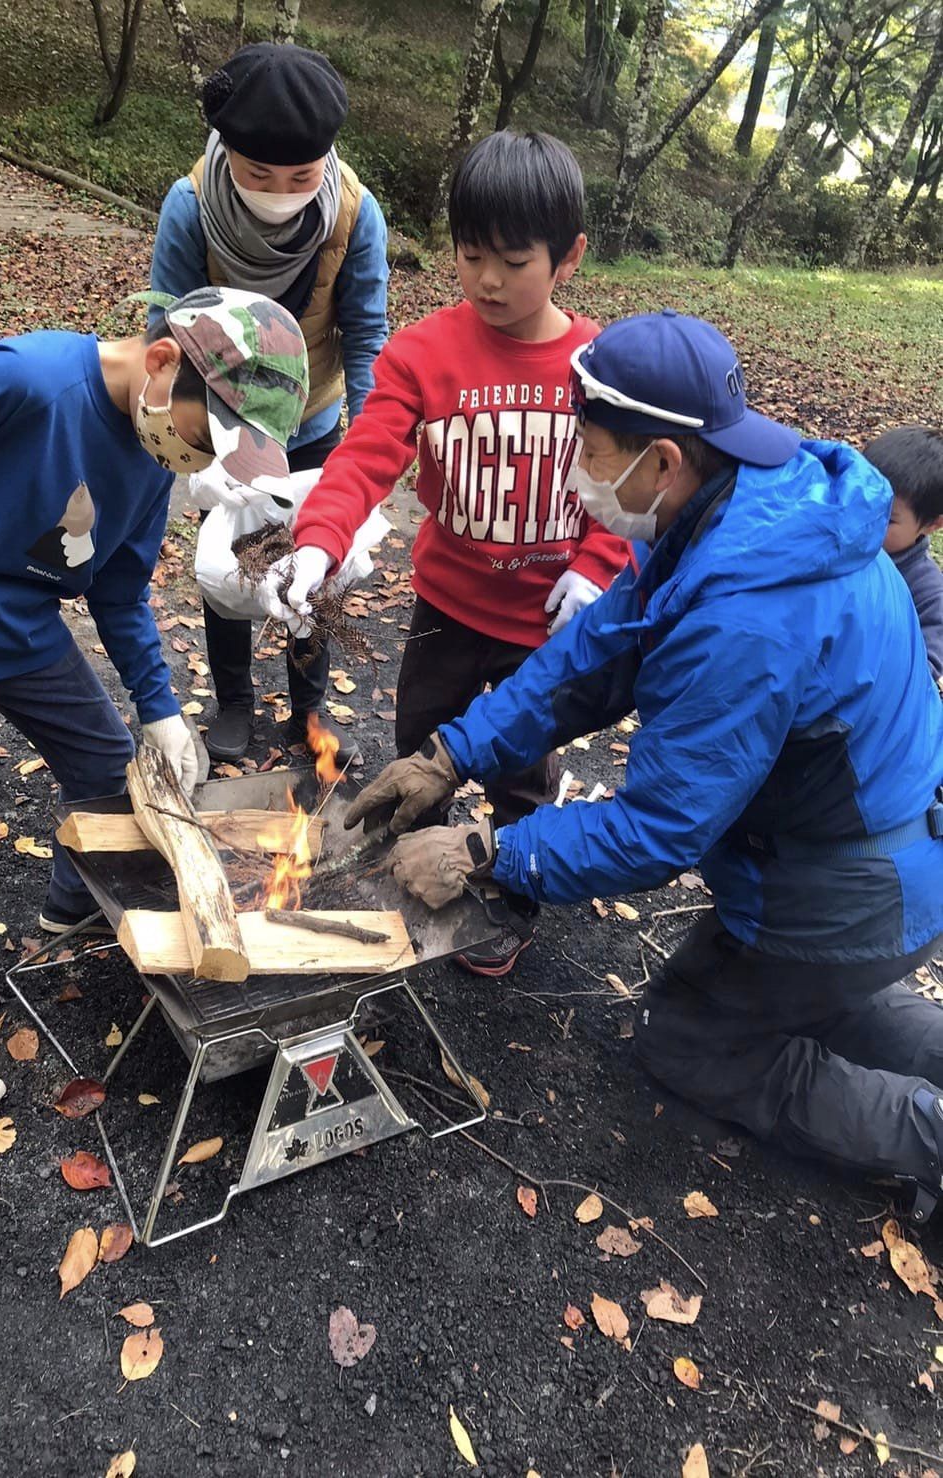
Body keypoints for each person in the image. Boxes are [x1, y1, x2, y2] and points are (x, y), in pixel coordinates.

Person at [344, 309, 943, 1221]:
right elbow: (599, 650)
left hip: (850, 887)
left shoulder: (745, 618)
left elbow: (661, 827)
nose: (577, 473)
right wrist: (451, 752)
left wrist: (485, 854)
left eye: (587, 450)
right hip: (864, 861)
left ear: (662, 458)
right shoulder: (738, 508)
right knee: (776, 997)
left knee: (691, 1039)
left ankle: (926, 1132)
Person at [0, 286, 310, 1131]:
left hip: (18, 624)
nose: (201, 463)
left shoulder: (153, 444)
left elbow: (120, 587)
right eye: (209, 439)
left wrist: (161, 709)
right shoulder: (25, 383)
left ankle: (71, 901)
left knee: (106, 766)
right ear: (163, 363)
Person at [265, 130, 629, 976]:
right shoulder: (423, 353)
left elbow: (634, 479)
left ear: (568, 257)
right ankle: (418, 871)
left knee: (523, 767)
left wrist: (596, 567)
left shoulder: (600, 363)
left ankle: (510, 889)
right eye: (471, 258)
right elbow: (364, 457)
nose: (490, 281)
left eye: (514, 260)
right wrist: (318, 543)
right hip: (449, 606)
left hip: (545, 623)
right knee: (423, 746)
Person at [150, 41, 390, 766]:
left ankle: (307, 710)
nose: (281, 188)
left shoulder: (354, 213)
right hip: (223, 423)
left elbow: (367, 332)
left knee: (308, 568)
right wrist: (196, 443)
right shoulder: (191, 206)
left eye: (302, 175)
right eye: (260, 173)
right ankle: (232, 702)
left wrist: (364, 449)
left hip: (314, 418)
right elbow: (166, 325)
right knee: (231, 562)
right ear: (227, 152)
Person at [865, 424, 943, 683]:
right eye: (864, 501)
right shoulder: (837, 539)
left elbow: (927, 667)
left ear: (932, 524)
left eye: (888, 519)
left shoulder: (927, 590)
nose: (868, 520)